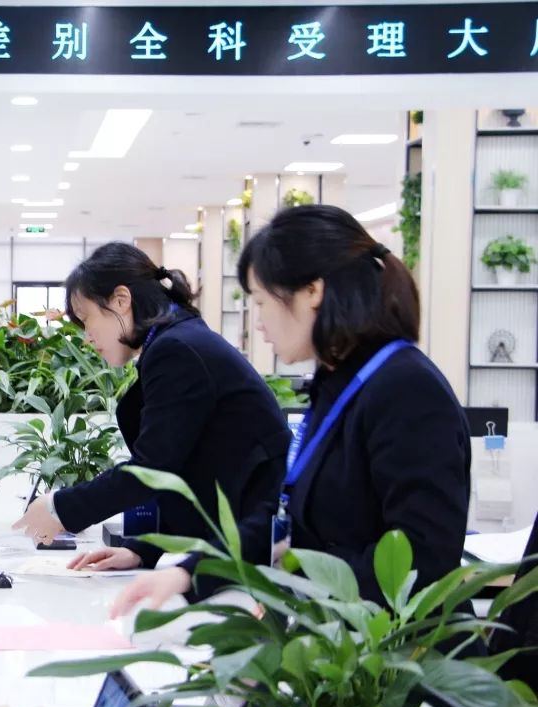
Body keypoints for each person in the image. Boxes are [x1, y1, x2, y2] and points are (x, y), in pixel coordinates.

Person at [112, 205, 471, 616]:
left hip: (389, 648)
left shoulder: (405, 389)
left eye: (262, 302)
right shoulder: (337, 381)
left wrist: (290, 585)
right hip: (329, 632)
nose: (259, 323)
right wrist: (187, 574)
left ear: (312, 292)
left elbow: (421, 562)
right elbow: (281, 517)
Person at [13, 242, 292, 576]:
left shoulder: (176, 349)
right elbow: (182, 466)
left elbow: (152, 467)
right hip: (239, 536)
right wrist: (141, 549)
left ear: (121, 300)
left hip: (256, 542)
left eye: (87, 320)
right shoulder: (178, 339)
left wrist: (60, 507)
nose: (87, 337)